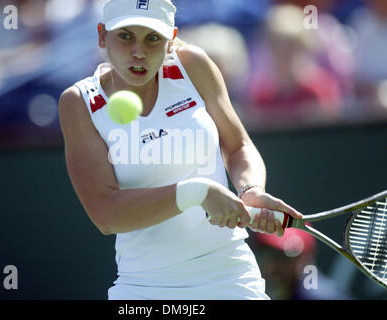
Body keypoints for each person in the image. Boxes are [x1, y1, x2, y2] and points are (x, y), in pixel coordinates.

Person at [58, 0, 302, 300]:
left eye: (152, 38)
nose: (138, 51)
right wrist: (196, 192)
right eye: (125, 36)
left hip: (229, 273)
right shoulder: (79, 102)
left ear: (171, 39)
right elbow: (106, 214)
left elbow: (238, 146)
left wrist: (250, 188)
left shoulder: (193, 66)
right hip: (144, 287)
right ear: (101, 36)